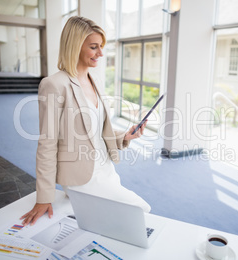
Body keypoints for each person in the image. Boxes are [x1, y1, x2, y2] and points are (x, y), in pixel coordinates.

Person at [21, 16, 150, 226]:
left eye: (101, 46)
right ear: (75, 46)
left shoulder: (95, 80)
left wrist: (125, 135)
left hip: (105, 168)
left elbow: (95, 128)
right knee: (140, 209)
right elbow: (47, 144)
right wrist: (44, 197)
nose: (100, 53)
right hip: (81, 177)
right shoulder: (54, 84)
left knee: (120, 221)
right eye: (93, 47)